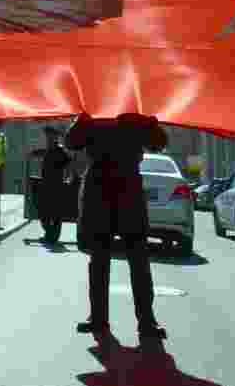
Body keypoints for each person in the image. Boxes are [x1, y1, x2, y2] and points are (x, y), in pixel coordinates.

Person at [67, 112, 168, 341]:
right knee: (99, 258)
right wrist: (83, 120)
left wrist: (150, 123)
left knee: (138, 259)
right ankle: (98, 319)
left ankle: (147, 321)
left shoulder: (135, 112)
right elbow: (72, 142)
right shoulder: (93, 110)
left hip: (127, 187)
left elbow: (159, 143)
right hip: (99, 189)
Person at [29, 125, 72, 245]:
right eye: (47, 137)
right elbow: (41, 153)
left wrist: (69, 177)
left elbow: (69, 163)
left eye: (50, 137)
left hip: (56, 185)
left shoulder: (60, 150)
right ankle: (50, 234)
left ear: (55, 138)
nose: (48, 139)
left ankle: (52, 237)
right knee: (43, 211)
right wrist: (33, 153)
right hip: (45, 185)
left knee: (56, 213)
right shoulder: (48, 149)